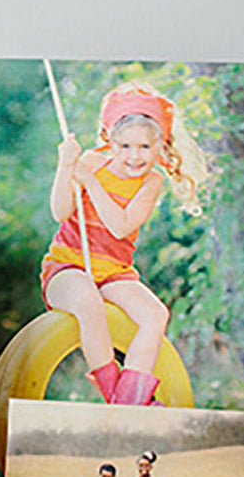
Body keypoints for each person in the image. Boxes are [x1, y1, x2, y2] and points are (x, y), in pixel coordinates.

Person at [40, 83, 209, 406]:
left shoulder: (151, 180)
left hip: (115, 273)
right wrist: (66, 167)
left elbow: (120, 227)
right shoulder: (92, 162)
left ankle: (130, 400)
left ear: (160, 147)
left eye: (145, 147)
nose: (135, 156)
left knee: (155, 315)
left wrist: (90, 182)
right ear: (110, 141)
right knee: (88, 301)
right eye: (126, 146)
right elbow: (60, 212)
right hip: (68, 267)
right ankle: (119, 397)